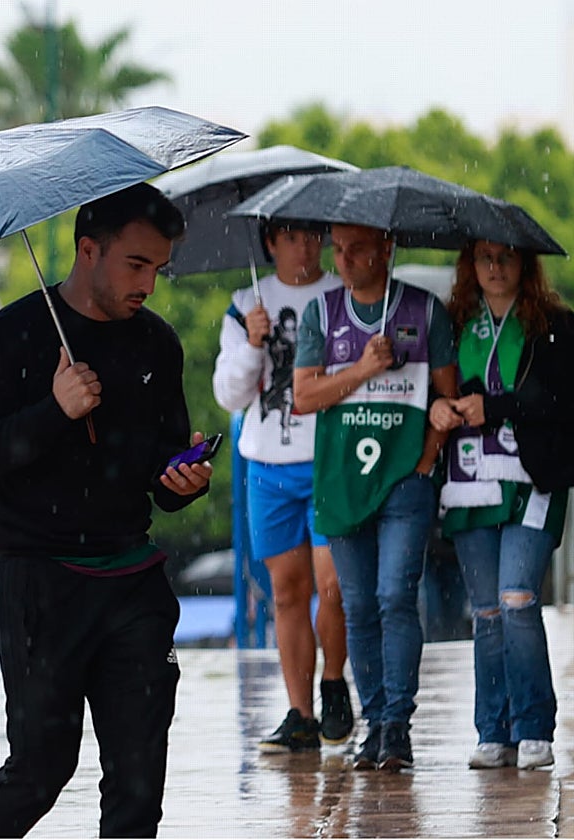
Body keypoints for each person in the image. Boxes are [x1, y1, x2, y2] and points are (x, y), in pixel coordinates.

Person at [0, 183, 212, 837]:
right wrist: (52, 412)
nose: (149, 283)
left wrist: (182, 480)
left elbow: (163, 458)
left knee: (139, 778)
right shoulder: (13, 335)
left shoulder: (157, 344)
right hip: (38, 578)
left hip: (132, 580)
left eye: (159, 267)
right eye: (136, 264)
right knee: (40, 767)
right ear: (88, 250)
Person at [293, 223, 458, 772]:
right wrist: (364, 368)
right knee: (356, 604)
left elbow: (448, 391)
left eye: (356, 248)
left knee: (394, 596)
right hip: (342, 481)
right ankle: (374, 720)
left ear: (387, 247)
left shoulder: (424, 310)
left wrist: (428, 456)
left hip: (405, 480)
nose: (343, 259)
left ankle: (397, 727)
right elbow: (304, 396)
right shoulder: (321, 314)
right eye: (336, 249)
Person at [429, 239, 574, 771]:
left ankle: (534, 726)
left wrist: (497, 406)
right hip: (468, 482)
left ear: (525, 264)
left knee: (517, 598)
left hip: (532, 480)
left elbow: (560, 400)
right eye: (484, 257)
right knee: (486, 612)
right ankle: (493, 730)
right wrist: (442, 406)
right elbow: (430, 391)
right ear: (470, 265)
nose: (494, 267)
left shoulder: (554, 324)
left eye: (506, 257)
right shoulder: (450, 322)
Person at [211, 219, 353, 753]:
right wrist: (251, 341)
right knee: (287, 592)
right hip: (268, 463)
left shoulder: (341, 295)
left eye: (312, 234)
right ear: (269, 243)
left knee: (332, 583)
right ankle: (300, 713)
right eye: (291, 236)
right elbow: (229, 394)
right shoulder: (245, 302)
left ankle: (334, 680)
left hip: (328, 458)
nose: (305, 246)